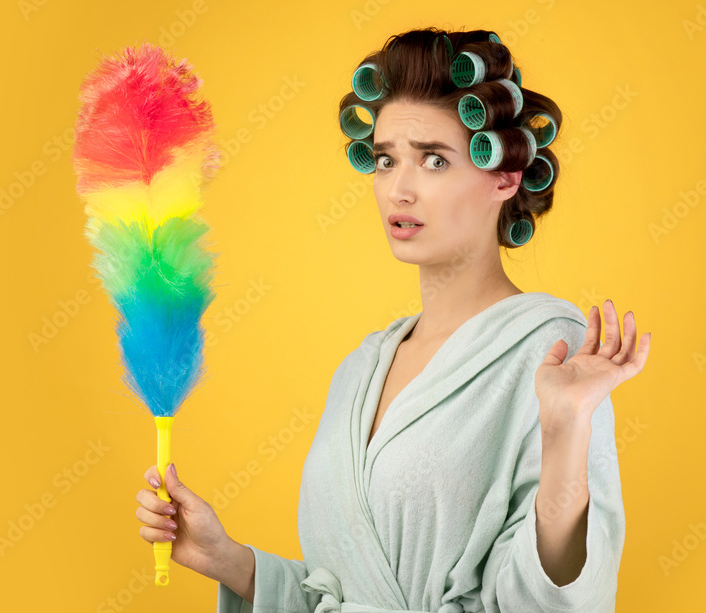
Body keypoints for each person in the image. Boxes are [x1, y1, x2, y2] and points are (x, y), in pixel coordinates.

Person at [135, 27, 651, 612]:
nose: (399, 190)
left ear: (505, 177)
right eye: (385, 160)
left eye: (433, 160)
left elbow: (557, 598)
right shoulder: (360, 370)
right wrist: (226, 558)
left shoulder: (551, 358)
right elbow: (348, 592)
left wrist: (564, 433)